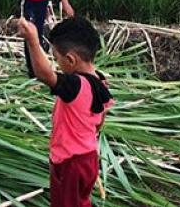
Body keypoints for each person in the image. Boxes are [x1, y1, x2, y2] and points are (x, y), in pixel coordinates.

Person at [18, 16, 113, 207]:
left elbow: (44, 74)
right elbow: (101, 119)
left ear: (70, 59)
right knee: (80, 200)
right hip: (88, 159)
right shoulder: (101, 81)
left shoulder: (75, 85)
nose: (56, 63)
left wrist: (32, 41)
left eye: (56, 58)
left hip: (70, 163)